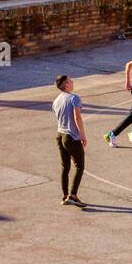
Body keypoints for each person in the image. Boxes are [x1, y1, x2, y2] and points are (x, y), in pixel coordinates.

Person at [53, 73, 87, 208]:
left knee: (65, 167)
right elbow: (77, 117)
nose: (73, 83)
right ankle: (72, 195)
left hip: (60, 135)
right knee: (79, 166)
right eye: (70, 81)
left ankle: (65, 196)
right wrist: (83, 135)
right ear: (66, 84)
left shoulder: (56, 101)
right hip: (71, 136)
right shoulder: (74, 98)